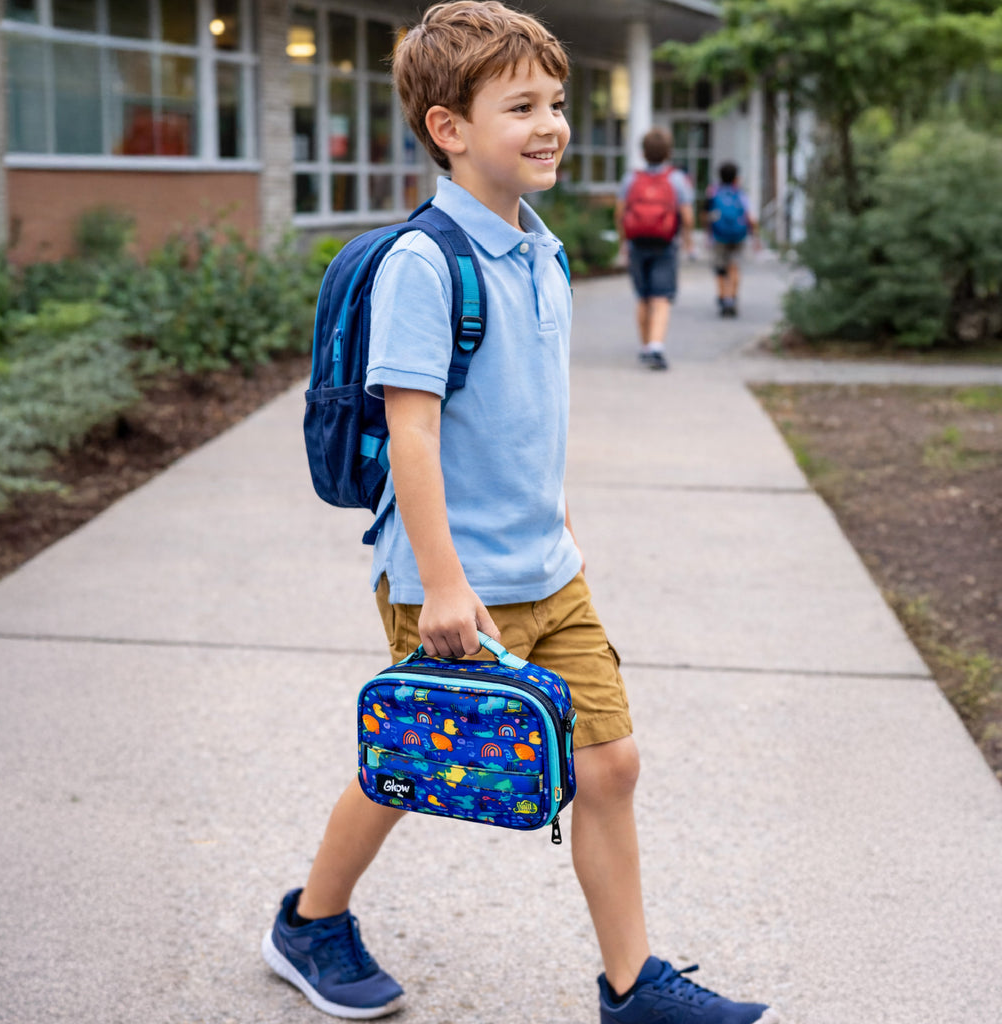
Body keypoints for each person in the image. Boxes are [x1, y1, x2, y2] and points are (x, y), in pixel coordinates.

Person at [261, 5, 778, 1024]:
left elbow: (522, 418)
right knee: (407, 765)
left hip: (549, 567)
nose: (551, 124)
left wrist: (563, 519)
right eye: (522, 106)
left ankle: (633, 989)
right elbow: (412, 436)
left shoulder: (540, 251)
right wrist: (445, 585)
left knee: (610, 764)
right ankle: (310, 921)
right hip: (452, 583)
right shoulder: (425, 264)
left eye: (556, 103)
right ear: (448, 127)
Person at [614, 128, 695, 371]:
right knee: (661, 298)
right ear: (669, 153)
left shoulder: (631, 179)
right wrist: (688, 240)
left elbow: (619, 213)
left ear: (643, 153)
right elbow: (688, 217)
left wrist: (623, 242)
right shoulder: (677, 179)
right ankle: (656, 347)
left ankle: (644, 346)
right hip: (666, 245)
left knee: (643, 297)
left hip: (637, 243)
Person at [705, 162, 757, 318]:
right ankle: (732, 298)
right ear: (736, 177)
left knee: (720, 268)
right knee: (734, 266)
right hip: (738, 236)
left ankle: (722, 297)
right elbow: (751, 218)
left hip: (719, 236)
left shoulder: (713, 192)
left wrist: (709, 233)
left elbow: (706, 215)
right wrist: (755, 236)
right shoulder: (740, 194)